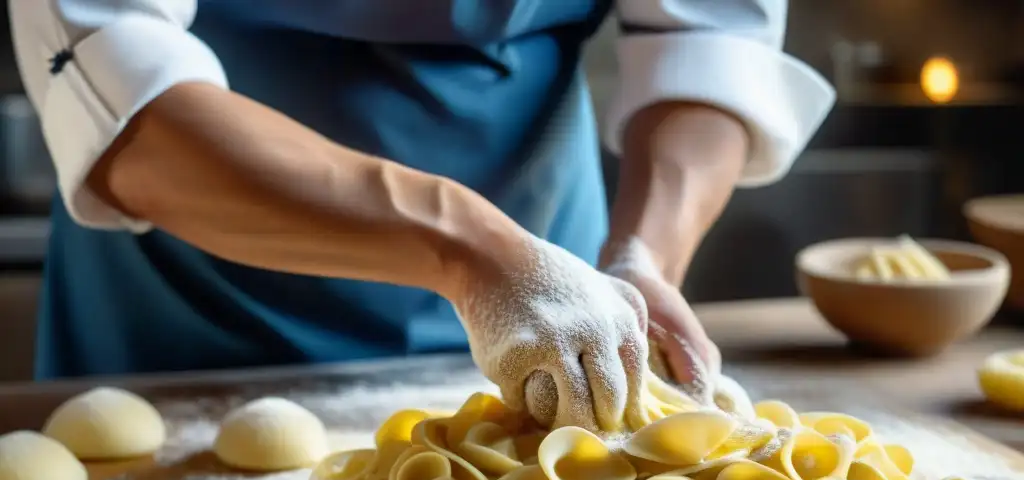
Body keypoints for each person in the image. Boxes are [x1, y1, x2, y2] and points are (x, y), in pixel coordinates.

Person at [10, 0, 833, 432]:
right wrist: (470, 248)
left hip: (552, 255)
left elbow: (712, 40)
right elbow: (121, 88)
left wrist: (644, 255)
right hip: (200, 277)